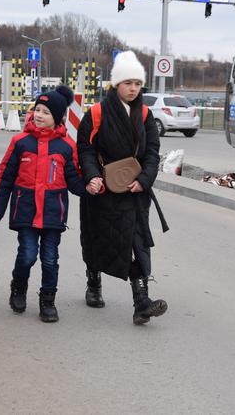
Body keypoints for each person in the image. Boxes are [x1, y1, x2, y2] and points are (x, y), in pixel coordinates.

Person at [77, 50, 168, 325]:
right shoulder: (95, 113)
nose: (133, 88)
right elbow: (85, 149)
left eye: (137, 83)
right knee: (99, 240)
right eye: (128, 83)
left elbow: (152, 152)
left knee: (136, 242)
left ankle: (141, 302)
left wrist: (144, 180)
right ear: (116, 84)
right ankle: (93, 282)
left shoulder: (144, 115)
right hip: (102, 191)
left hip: (134, 191)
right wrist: (92, 176)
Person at [0, 86, 89, 323]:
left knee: (50, 259)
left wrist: (92, 187)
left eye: (45, 112)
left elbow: (74, 180)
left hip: (54, 214)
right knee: (27, 255)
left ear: (58, 118)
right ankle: (19, 287)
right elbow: (5, 177)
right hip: (26, 211)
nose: (39, 115)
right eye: (37, 110)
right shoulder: (20, 142)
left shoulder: (66, 147)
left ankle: (48, 301)